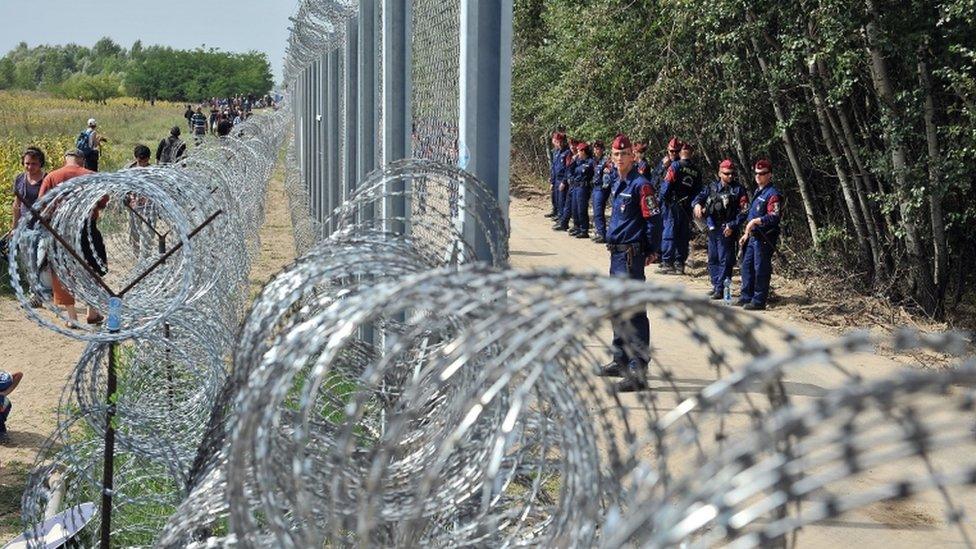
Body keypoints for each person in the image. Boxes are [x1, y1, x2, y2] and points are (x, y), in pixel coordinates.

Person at [598, 134, 661, 393]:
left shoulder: (641, 185)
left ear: (633, 156)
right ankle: (621, 358)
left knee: (634, 312)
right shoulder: (617, 183)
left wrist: (651, 250)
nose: (620, 158)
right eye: (616, 155)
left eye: (624, 154)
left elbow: (654, 220)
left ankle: (638, 368)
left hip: (632, 256)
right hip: (617, 255)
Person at [39, 149, 104, 327]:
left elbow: (42, 204)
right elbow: (103, 201)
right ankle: (92, 312)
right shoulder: (91, 176)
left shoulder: (52, 177)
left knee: (63, 271)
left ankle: (72, 317)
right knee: (93, 268)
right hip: (86, 228)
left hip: (61, 229)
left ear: (65, 159)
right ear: (82, 160)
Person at [693, 159, 749, 299]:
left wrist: (732, 225)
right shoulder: (712, 187)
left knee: (725, 259)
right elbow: (698, 198)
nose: (730, 176)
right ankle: (716, 284)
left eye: (732, 174)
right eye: (727, 173)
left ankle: (722, 289)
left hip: (727, 227)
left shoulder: (738, 190)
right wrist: (697, 205)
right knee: (713, 258)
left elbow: (744, 211)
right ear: (720, 173)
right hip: (713, 227)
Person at [738, 159, 783, 310]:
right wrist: (746, 233)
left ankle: (758, 300)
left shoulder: (773, 194)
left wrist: (757, 221)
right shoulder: (758, 191)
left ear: (769, 175)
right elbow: (750, 216)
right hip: (752, 237)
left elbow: (774, 216)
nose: (758, 176)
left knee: (760, 268)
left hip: (764, 237)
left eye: (762, 174)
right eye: (756, 173)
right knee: (747, 266)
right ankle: (746, 297)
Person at [658, 141, 702, 275]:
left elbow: (666, 186)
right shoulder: (696, 170)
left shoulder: (675, 166)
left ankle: (667, 263)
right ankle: (679, 264)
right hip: (687, 206)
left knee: (669, 232)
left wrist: (661, 200)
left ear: (681, 153)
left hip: (673, 205)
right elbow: (698, 191)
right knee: (683, 235)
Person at [11, 147, 47, 231]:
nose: (30, 167)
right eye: (27, 163)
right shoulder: (20, 179)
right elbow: (17, 205)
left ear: (40, 163)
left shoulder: (47, 179)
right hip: (23, 225)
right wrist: (14, 228)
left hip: (41, 226)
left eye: (34, 164)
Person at [567, 142, 594, 238]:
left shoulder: (590, 162)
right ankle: (577, 227)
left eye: (579, 151)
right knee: (574, 208)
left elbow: (593, 174)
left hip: (583, 187)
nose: (577, 152)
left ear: (584, 151)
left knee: (581, 209)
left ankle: (584, 230)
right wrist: (573, 161)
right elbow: (570, 171)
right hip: (575, 186)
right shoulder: (577, 161)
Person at [590, 140, 612, 243]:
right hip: (595, 187)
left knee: (599, 211)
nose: (596, 150)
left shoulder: (606, 160)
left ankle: (602, 234)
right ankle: (599, 232)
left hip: (601, 189)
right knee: (595, 211)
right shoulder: (594, 160)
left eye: (598, 148)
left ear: (602, 150)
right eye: (595, 148)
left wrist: (605, 187)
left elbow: (609, 173)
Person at [547, 132, 571, 221]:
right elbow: (554, 167)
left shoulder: (567, 152)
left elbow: (567, 169)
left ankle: (562, 217)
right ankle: (556, 213)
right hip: (556, 179)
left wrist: (564, 181)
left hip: (562, 180)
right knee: (555, 198)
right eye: (556, 142)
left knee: (562, 200)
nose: (558, 144)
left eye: (560, 142)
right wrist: (552, 179)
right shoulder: (556, 152)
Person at [0, 370, 23, 443]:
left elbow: (18, 374)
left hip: (3, 405)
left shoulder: (2, 381)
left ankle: (2, 432)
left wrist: (5, 392)